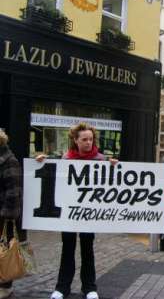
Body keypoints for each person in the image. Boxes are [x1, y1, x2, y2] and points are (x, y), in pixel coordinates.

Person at [36, 123, 117, 299]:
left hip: (89, 214)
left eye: (91, 139)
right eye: (84, 139)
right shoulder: (66, 159)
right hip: (69, 213)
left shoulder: (101, 160)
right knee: (68, 249)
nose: (89, 143)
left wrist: (114, 167)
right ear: (75, 140)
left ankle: (89, 288)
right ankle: (62, 287)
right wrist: (42, 161)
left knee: (88, 249)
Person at [0, 130, 25, 299]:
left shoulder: (9, 161)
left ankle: (5, 286)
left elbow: (13, 191)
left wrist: (8, 216)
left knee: (5, 251)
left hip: (3, 216)